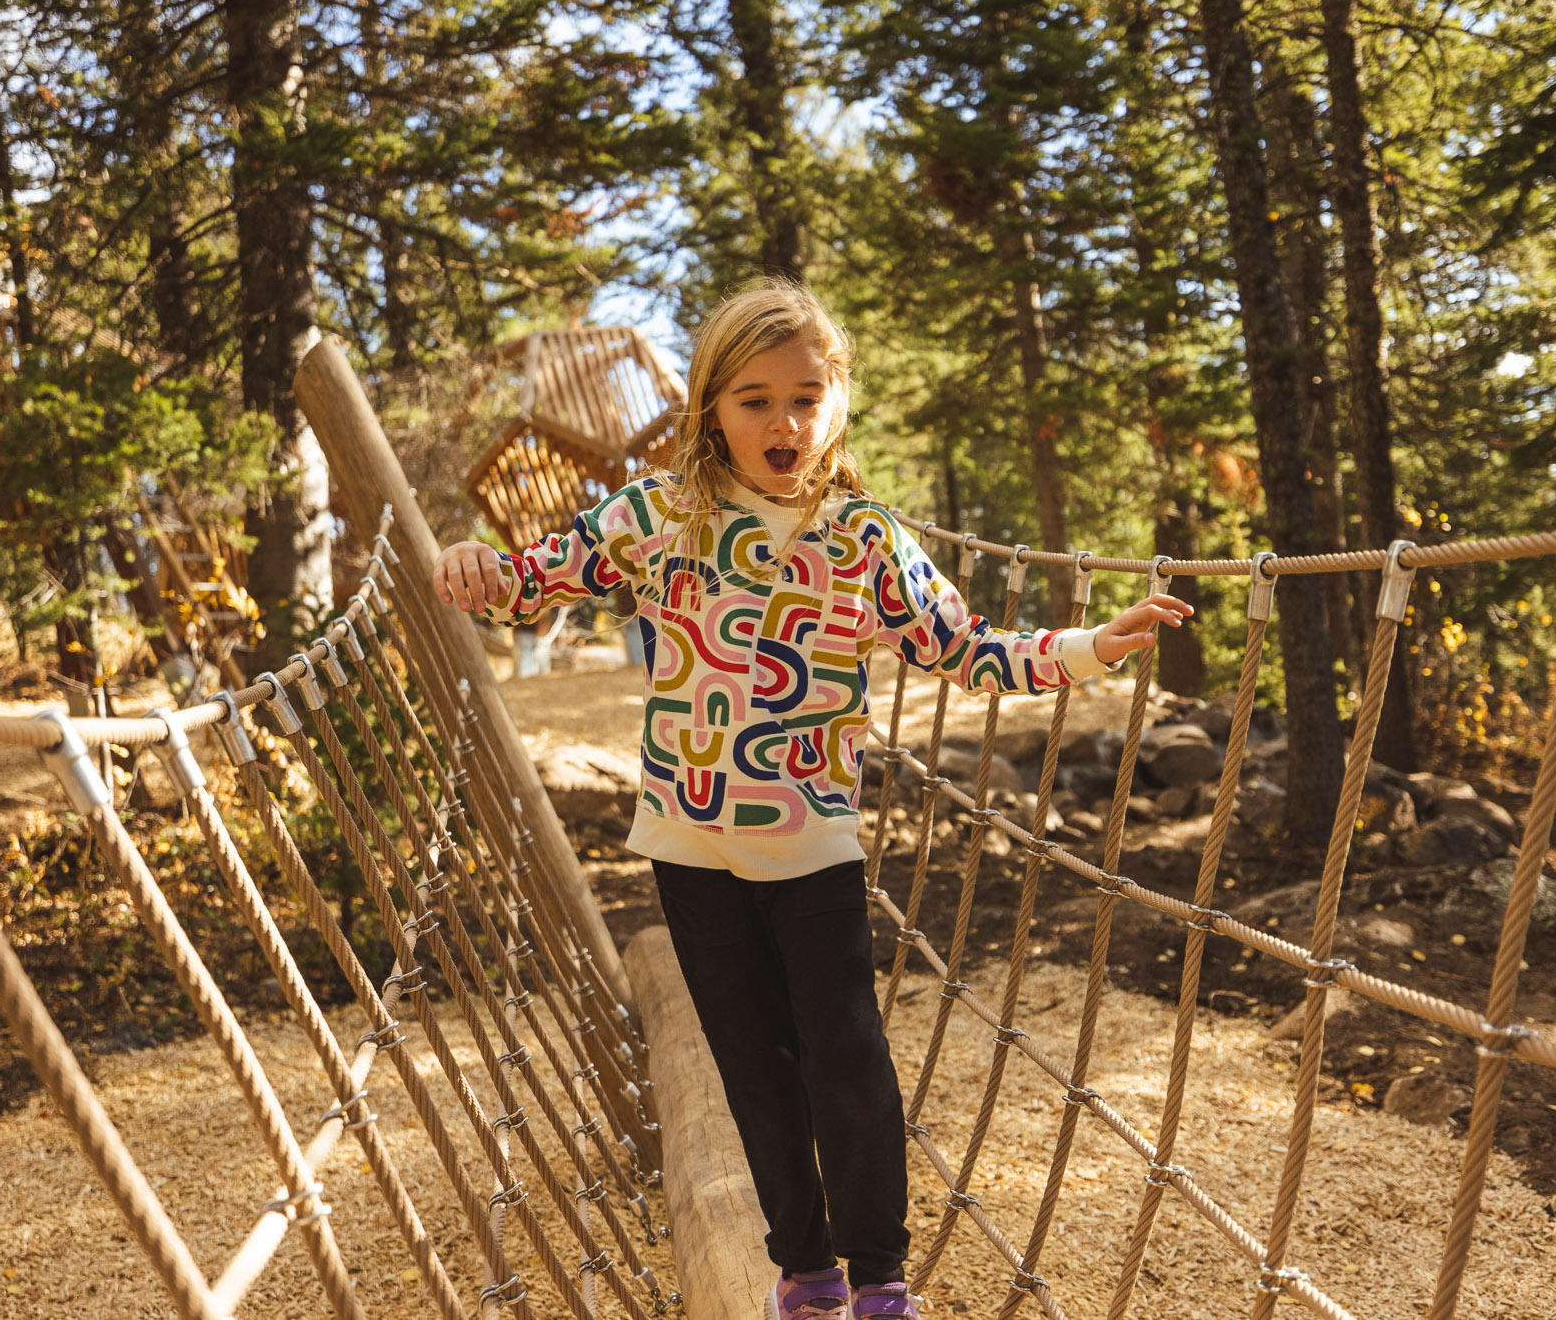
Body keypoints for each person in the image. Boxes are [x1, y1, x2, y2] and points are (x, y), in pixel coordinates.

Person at [433, 280, 1191, 1320]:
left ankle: (880, 1272)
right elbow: (531, 578)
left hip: (812, 836)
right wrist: (473, 564)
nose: (782, 422)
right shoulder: (659, 515)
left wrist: (1085, 647)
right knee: (753, 1062)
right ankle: (806, 1272)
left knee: (847, 1053)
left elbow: (962, 647)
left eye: (805, 395)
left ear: (838, 402)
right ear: (710, 408)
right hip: (687, 839)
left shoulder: (864, 540)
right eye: (753, 399)